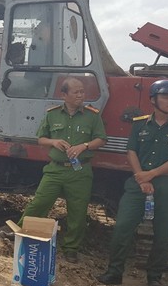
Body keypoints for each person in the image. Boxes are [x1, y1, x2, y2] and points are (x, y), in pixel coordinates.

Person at [17, 77, 107, 263]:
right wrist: (53, 142)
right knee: (40, 202)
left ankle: (71, 248)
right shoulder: (52, 114)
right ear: (64, 95)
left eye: (82, 91)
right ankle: (21, 232)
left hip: (80, 172)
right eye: (76, 92)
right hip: (55, 170)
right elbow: (41, 139)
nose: (81, 95)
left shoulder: (92, 115)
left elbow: (101, 139)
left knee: (78, 212)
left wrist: (84, 146)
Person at [97, 79, 168, 286]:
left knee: (163, 233)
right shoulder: (140, 124)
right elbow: (131, 151)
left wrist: (152, 174)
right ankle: (114, 273)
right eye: (166, 96)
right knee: (122, 227)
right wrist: (141, 176)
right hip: (137, 183)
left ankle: (154, 276)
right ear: (153, 99)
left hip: (167, 185)